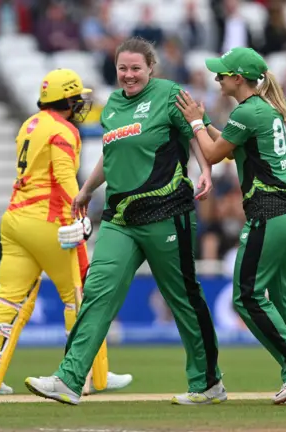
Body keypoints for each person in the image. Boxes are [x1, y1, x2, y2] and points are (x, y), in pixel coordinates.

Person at [24, 37, 224, 406]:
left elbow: (194, 133)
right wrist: (85, 191)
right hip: (119, 217)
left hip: (167, 212)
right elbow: (112, 153)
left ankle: (208, 382)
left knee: (183, 298)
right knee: (98, 292)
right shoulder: (112, 105)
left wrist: (206, 170)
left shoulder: (169, 94)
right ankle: (70, 378)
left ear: (151, 68)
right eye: (122, 68)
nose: (128, 75)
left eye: (135, 68)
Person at [174, 47, 286, 405]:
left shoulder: (247, 111)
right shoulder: (265, 109)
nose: (217, 78)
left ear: (238, 79)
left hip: (269, 213)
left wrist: (196, 122)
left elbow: (212, 154)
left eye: (223, 74)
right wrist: (205, 122)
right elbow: (228, 145)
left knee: (246, 296)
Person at [0, 68, 132, 397]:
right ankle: (83, 375)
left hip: (15, 218)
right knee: (79, 297)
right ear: (67, 99)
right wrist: (80, 212)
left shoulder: (29, 124)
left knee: (8, 297)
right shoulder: (64, 129)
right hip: (49, 221)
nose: (80, 103)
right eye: (77, 97)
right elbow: (62, 174)